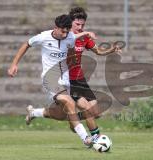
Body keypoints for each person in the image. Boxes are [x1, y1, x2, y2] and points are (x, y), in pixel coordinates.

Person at [25, 7, 121, 138]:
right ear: (70, 23)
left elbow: (98, 51)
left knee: (95, 113)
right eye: (77, 24)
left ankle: (41, 114)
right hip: (67, 80)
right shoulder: (64, 36)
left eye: (83, 25)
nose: (80, 27)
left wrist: (111, 50)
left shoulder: (83, 38)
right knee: (86, 108)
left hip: (79, 79)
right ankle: (95, 138)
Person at [7, 14, 96, 147]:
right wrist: (14, 64)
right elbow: (26, 44)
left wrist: (86, 34)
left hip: (66, 80)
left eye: (67, 31)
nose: (65, 34)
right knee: (69, 102)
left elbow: (72, 43)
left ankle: (34, 112)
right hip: (50, 78)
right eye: (63, 31)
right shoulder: (43, 37)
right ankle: (86, 139)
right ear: (56, 28)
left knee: (61, 114)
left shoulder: (69, 37)